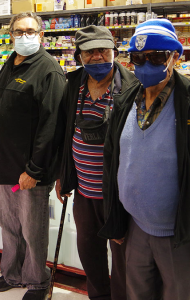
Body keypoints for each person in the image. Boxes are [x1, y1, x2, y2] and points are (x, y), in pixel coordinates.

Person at [99, 19, 190, 300]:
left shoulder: (186, 100)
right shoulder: (127, 99)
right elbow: (113, 160)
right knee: (136, 291)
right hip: (134, 226)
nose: (145, 65)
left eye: (156, 57)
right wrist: (115, 217)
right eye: (138, 58)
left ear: (175, 57)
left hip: (178, 233)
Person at [0, 12, 66, 300]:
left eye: (30, 31)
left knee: (33, 229)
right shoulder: (10, 63)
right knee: (9, 225)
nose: (24, 36)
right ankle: (11, 273)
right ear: (10, 35)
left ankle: (37, 281)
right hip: (6, 164)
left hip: (30, 170)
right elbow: (0, 112)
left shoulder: (49, 70)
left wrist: (34, 169)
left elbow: (51, 125)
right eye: (19, 31)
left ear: (41, 36)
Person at [56, 25, 138, 300]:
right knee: (89, 251)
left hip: (118, 193)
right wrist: (63, 175)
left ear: (114, 51)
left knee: (123, 256)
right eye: (89, 52)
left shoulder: (132, 88)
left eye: (103, 50)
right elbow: (64, 131)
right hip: (83, 191)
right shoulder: (72, 84)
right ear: (79, 55)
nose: (97, 57)